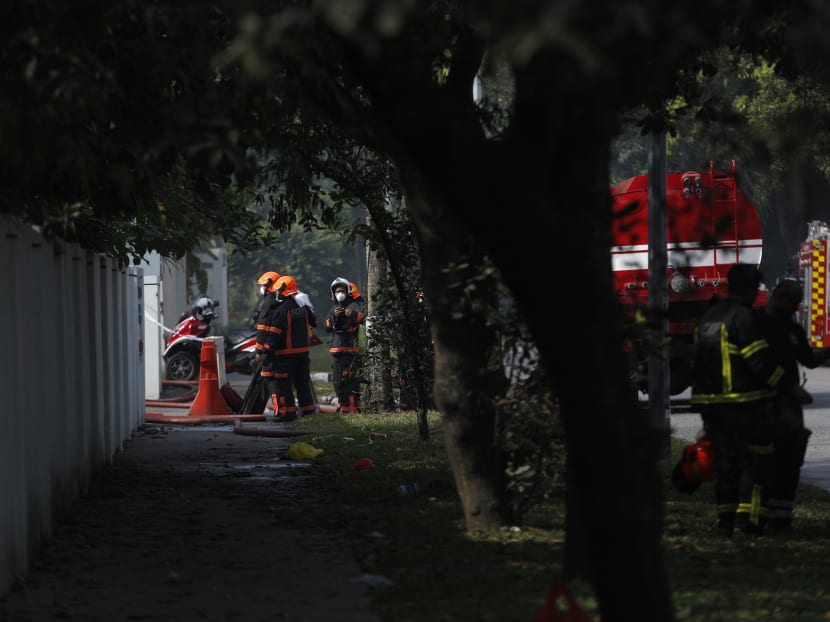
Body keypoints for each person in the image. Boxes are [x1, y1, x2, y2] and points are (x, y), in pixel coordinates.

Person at [690, 263, 805, 536]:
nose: (757, 294)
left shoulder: (708, 318)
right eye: (755, 288)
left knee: (727, 466)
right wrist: (790, 387)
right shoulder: (744, 318)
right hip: (743, 404)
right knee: (757, 466)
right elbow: (759, 360)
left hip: (711, 405)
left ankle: (725, 523)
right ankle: (749, 524)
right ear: (748, 288)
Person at [755, 279, 830, 530]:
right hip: (761, 403)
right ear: (777, 295)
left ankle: (781, 518)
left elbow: (808, 360)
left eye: (798, 303)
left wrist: (828, 351)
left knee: (790, 461)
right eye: (792, 301)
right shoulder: (757, 325)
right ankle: (759, 517)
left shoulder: (792, 329)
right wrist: (787, 386)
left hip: (788, 406)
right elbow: (755, 362)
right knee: (764, 462)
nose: (795, 307)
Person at [265, 275, 318, 421]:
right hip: (303, 353)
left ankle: (287, 413)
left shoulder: (281, 310)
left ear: (283, 291)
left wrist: (266, 349)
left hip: (285, 355)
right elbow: (315, 322)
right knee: (302, 383)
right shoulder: (303, 308)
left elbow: (275, 333)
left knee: (283, 385)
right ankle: (308, 411)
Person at [325, 277, 366, 413]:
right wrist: (335, 317)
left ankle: (352, 408)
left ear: (347, 291)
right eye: (337, 292)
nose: (339, 294)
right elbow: (328, 327)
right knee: (338, 382)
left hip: (350, 350)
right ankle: (343, 406)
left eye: (342, 291)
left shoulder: (353, 306)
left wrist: (352, 314)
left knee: (350, 380)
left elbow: (363, 318)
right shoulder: (333, 308)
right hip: (336, 350)